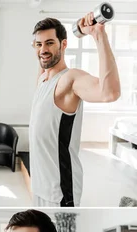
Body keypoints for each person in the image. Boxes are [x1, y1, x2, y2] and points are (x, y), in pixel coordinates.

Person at [29, 15, 121, 207]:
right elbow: (42, 58)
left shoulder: (70, 79)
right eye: (38, 44)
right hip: (39, 187)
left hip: (59, 193)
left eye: (49, 43)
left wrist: (98, 34)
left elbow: (109, 93)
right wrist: (41, 51)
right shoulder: (42, 79)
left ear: (63, 45)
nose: (43, 49)